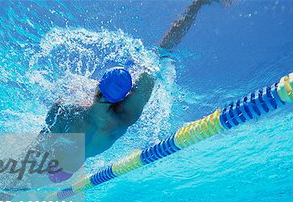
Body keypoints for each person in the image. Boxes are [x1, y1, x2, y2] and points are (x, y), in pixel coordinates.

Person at [42, 0, 223, 182]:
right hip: (101, 110)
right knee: (157, 57)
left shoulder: (68, 114)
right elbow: (163, 49)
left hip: (96, 117)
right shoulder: (117, 116)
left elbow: (39, 144)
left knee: (154, 60)